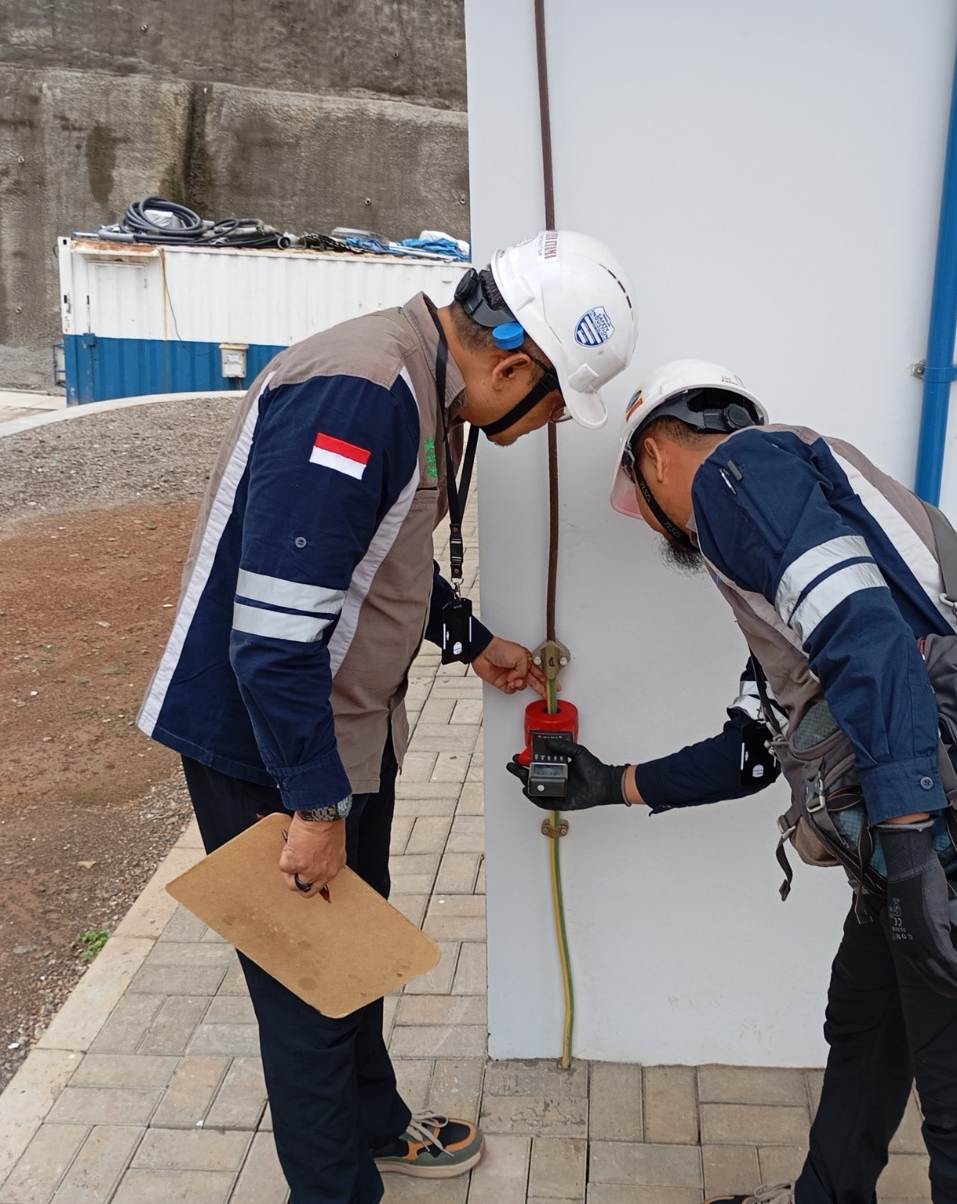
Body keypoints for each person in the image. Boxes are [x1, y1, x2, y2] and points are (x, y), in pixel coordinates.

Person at [508, 360, 957, 1204]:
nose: (660, 530)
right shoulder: (797, 535)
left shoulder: (739, 474)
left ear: (656, 457)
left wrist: (909, 856)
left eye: (643, 499)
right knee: (868, 1028)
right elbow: (755, 748)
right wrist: (610, 783)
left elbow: (869, 642)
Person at [137, 231, 638, 1204]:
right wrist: (315, 808)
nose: (540, 430)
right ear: (513, 365)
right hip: (270, 745)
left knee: (353, 940)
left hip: (337, 730)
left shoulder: (423, 391)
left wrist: (468, 636)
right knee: (308, 995)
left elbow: (380, 557)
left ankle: (376, 1124)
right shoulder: (360, 394)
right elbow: (274, 639)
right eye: (549, 410)